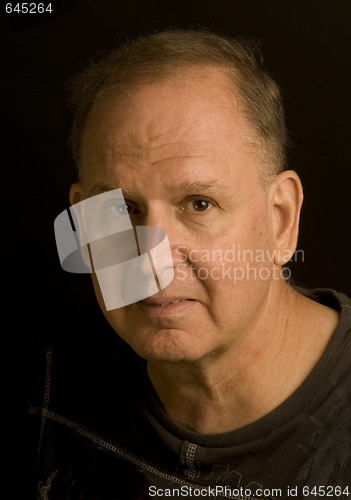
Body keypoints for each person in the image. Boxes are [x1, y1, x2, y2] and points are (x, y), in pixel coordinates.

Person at [30, 29, 351, 499]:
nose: (151, 261)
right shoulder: (52, 374)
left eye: (199, 204)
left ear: (281, 221)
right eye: (119, 209)